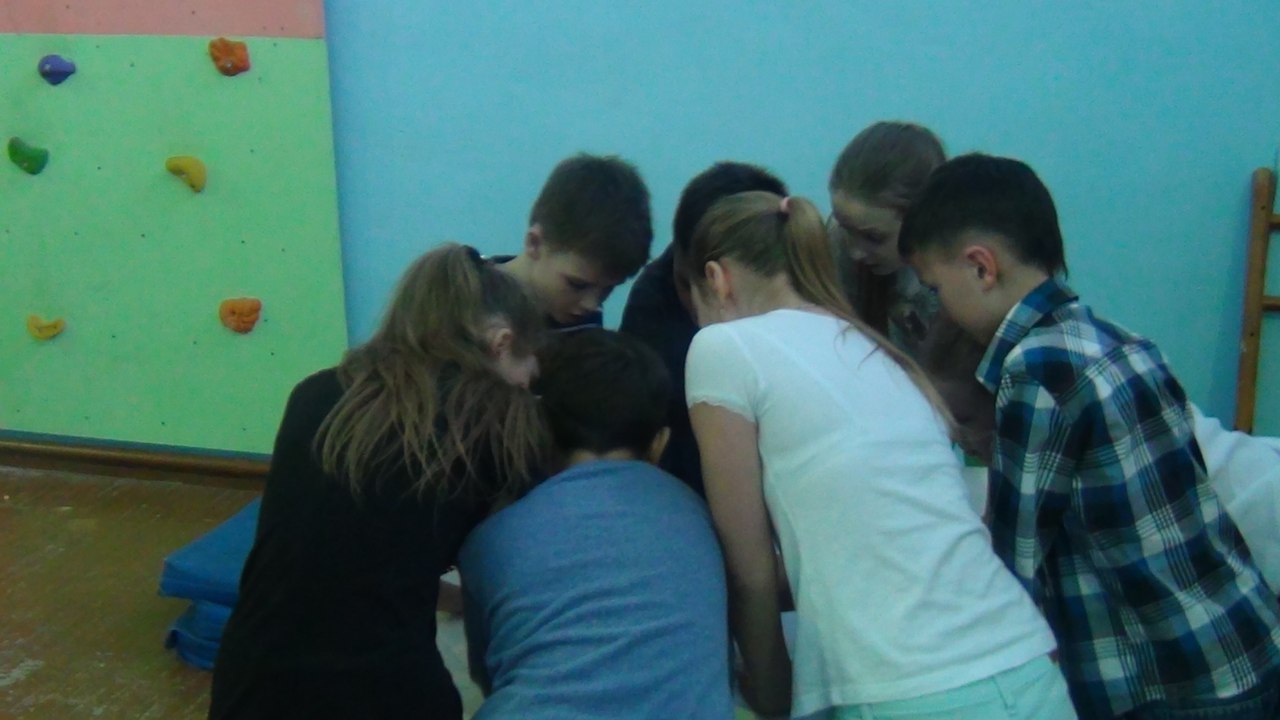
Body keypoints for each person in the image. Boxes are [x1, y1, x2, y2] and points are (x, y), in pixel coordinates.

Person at [900, 153, 1280, 719]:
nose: (942, 311)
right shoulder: (1118, 338)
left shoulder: (1034, 370)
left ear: (981, 267)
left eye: (936, 289)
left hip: (1173, 680)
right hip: (1245, 640)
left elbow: (1015, 559)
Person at [685, 191, 1074, 719]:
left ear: (716, 280)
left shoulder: (722, 347)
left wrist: (772, 701)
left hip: (909, 686)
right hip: (1026, 660)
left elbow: (749, 571)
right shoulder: (879, 350)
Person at [210, 244, 550, 720]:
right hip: (378, 696)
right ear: (500, 343)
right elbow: (513, 591)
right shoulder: (494, 427)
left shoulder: (314, 393)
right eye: (527, 375)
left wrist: (452, 598)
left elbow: (356, 563)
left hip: (247, 684)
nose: (525, 390)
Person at [459, 329, 733, 719]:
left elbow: (487, 673)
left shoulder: (489, 540)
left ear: (537, 432)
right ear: (659, 443)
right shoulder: (697, 514)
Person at [828, 121, 995, 459]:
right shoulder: (837, 249)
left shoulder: (966, 276)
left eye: (873, 237)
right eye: (845, 229)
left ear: (923, 220)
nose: (856, 251)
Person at [620, 161, 787, 494]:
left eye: (713, 288)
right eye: (686, 284)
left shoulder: (806, 312)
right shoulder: (652, 308)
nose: (699, 307)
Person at [493, 153, 654, 332]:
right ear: (534, 243)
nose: (592, 304)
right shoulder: (469, 304)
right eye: (577, 285)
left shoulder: (585, 322)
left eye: (608, 289)